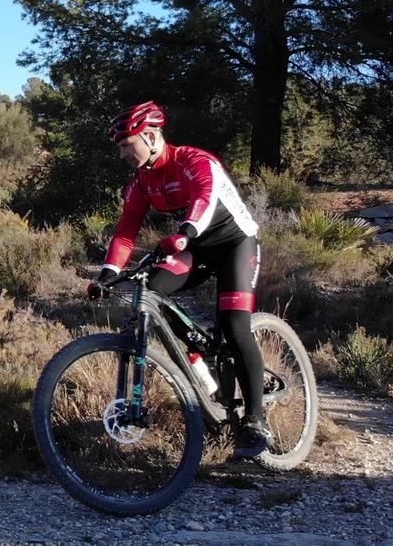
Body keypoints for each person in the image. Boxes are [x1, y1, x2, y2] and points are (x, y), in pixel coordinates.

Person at [87, 101, 270, 459]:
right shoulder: (142, 181)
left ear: (152, 136)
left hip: (235, 243)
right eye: (120, 146)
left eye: (128, 143)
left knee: (235, 327)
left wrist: (185, 233)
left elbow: (204, 199)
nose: (123, 152)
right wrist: (107, 273)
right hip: (195, 247)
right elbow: (126, 231)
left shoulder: (195, 161)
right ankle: (199, 360)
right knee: (151, 292)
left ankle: (255, 421)